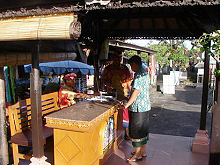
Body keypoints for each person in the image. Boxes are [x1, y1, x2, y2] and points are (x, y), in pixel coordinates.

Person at [119, 55, 151, 162]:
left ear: (134, 64)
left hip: (138, 107)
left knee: (136, 132)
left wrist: (127, 104)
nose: (131, 68)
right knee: (143, 131)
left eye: (131, 65)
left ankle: (137, 155)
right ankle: (142, 151)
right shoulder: (145, 73)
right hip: (145, 106)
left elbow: (136, 91)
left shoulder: (139, 75)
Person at [101, 52, 132, 139]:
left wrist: (131, 93)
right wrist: (109, 85)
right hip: (111, 93)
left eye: (119, 58)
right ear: (112, 59)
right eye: (115, 58)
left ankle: (126, 133)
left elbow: (129, 81)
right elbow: (103, 80)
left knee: (125, 112)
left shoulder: (125, 68)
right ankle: (112, 134)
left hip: (123, 94)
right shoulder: (108, 69)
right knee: (112, 112)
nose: (117, 60)